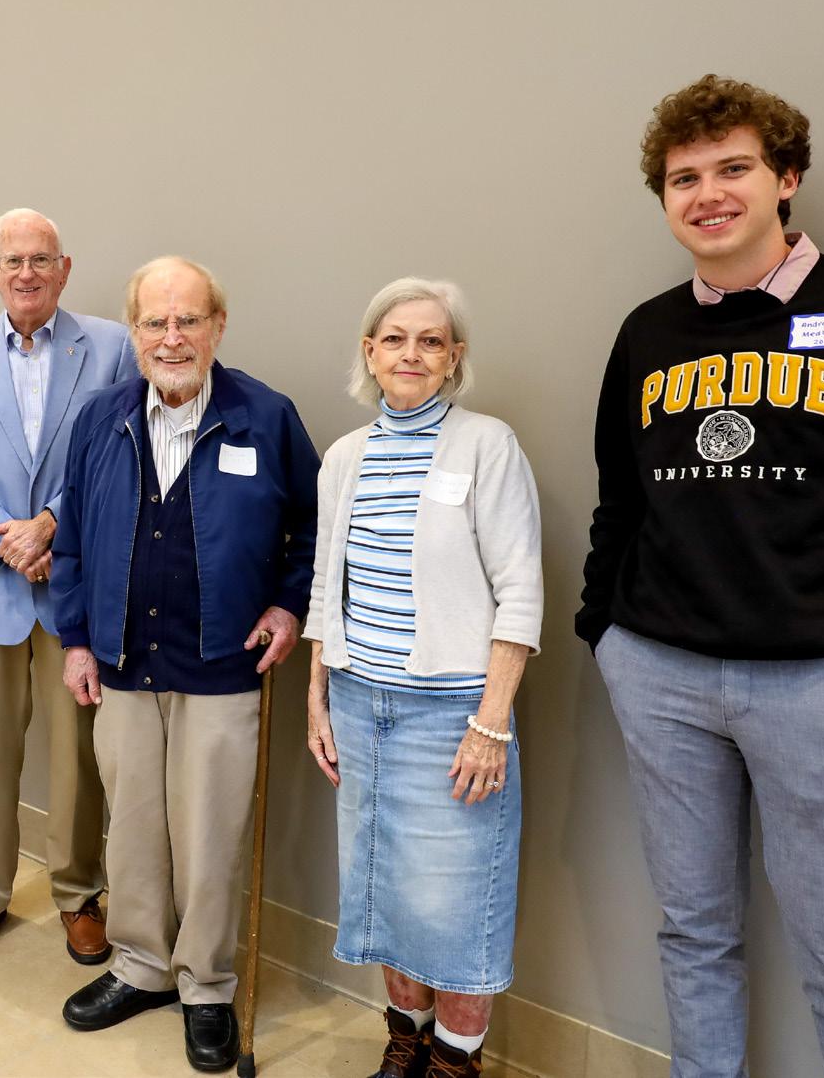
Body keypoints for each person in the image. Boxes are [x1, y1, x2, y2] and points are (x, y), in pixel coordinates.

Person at [577, 74, 824, 1078]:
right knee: (693, 933)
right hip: (661, 677)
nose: (708, 193)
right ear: (664, 198)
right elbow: (621, 498)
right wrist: (604, 632)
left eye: (734, 168)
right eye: (684, 178)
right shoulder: (648, 332)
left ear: (786, 177)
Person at [52, 256, 319, 1072]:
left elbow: (313, 530)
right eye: (155, 322)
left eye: (188, 320)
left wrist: (288, 605)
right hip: (122, 662)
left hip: (220, 663)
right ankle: (140, 964)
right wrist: (75, 637)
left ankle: (205, 982)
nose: (171, 338)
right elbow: (71, 537)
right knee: (133, 825)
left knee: (208, 832)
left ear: (217, 327)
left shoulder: (264, 417)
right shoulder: (100, 418)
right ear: (133, 331)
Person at [304, 278, 543, 1078]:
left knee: (454, 904)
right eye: (394, 338)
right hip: (357, 701)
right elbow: (325, 585)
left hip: (452, 714)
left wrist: (491, 721)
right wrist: (316, 696)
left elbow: (520, 592)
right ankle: (404, 1040)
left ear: (453, 357)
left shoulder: (486, 444)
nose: (411, 353)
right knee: (381, 890)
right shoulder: (344, 456)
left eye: (430, 340)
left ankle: (452, 1060)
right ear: (369, 351)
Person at [0, 208, 136, 963]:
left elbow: (118, 455)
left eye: (40, 259)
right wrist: (10, 541)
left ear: (63, 268)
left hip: (72, 586)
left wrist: (50, 526)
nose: (26, 272)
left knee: (78, 754)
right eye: (12, 260)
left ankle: (79, 893)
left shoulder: (111, 347)